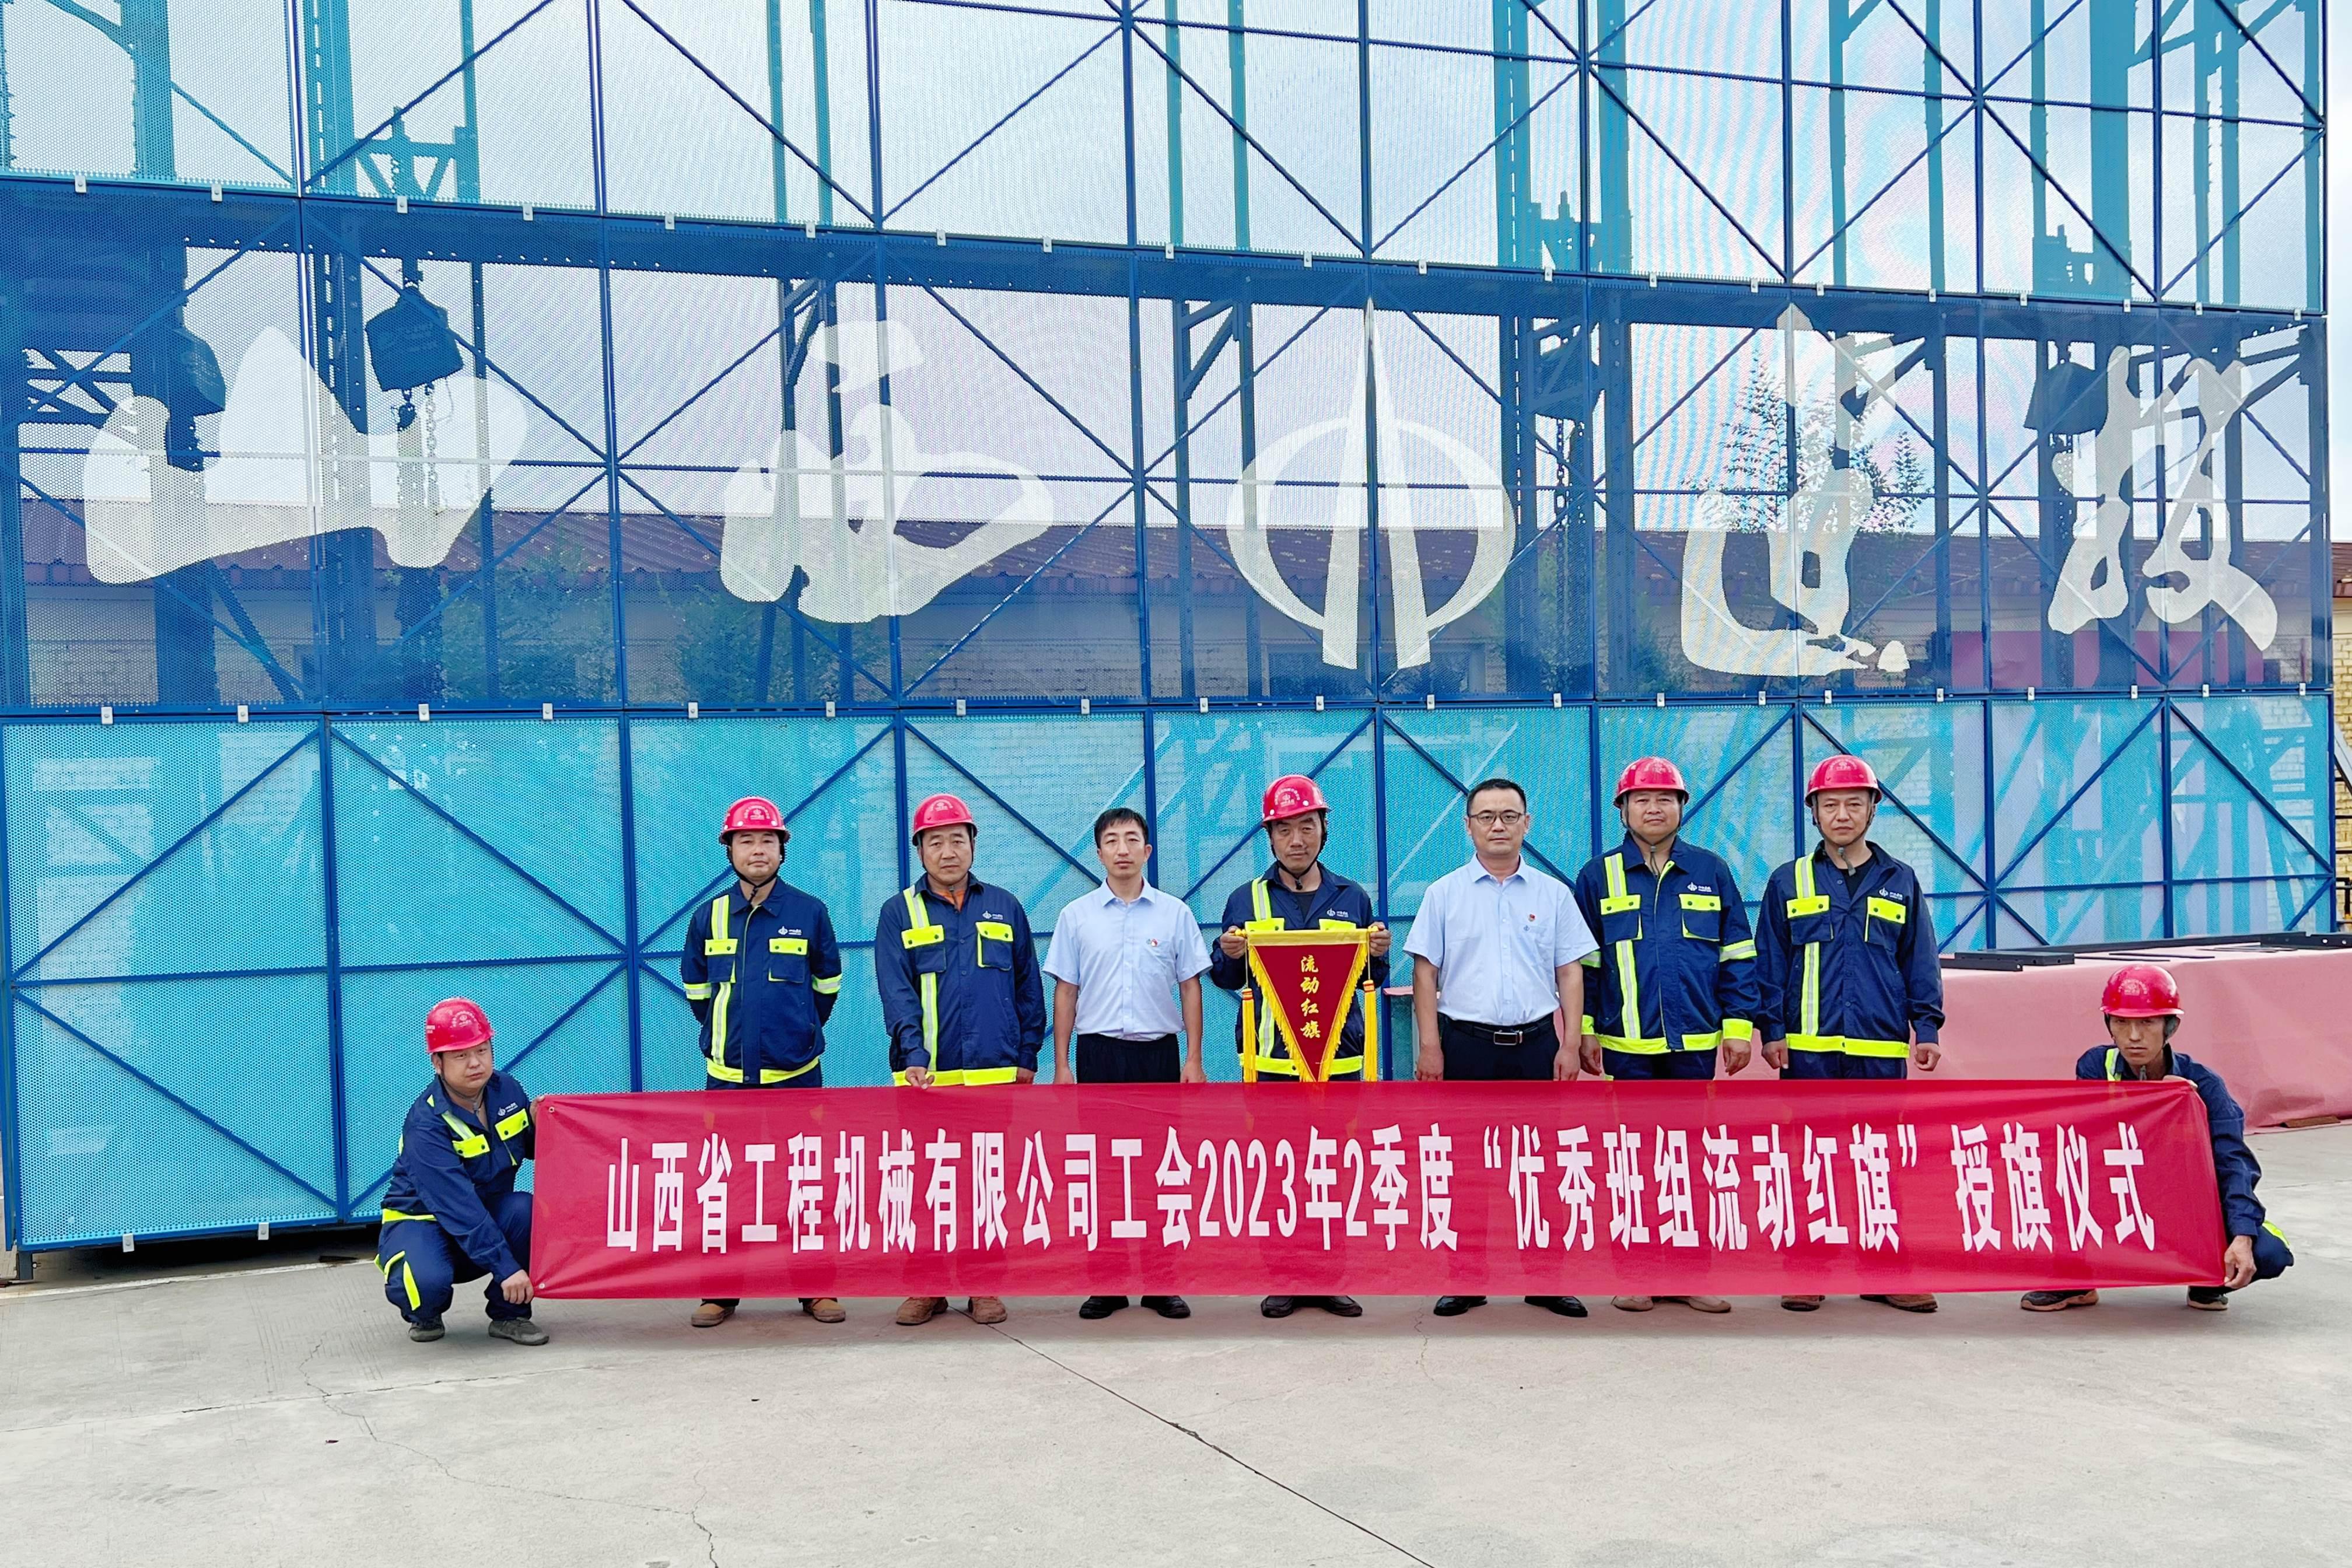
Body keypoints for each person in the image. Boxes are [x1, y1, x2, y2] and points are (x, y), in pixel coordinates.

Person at [1755, 753, 1944, 1315]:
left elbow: (1919, 959)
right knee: (1810, 1159)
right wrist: (1772, 1030)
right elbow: (1770, 961)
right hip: (1808, 1051)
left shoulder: (1900, 881)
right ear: (1813, 813)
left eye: (1854, 804)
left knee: (1878, 1161)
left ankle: (1885, 1273)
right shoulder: (1788, 881)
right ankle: (1806, 1270)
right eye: (1830, 805)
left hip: (1878, 1049)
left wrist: (1927, 1026)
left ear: (1872, 810)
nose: (1842, 815)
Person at [1572, 755, 1758, 1317]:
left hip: (1694, 1047)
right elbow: (1584, 966)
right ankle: (1636, 1275)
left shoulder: (1711, 871)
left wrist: (1738, 1028)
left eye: (1664, 799)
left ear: (1681, 807)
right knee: (1633, 1163)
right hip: (1626, 1051)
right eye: (1642, 800)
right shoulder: (1597, 876)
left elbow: (1737, 955)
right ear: (1623, 810)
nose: (1653, 809)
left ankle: (1688, 1274)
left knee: (1690, 1160)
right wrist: (1585, 1031)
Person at [1406, 776, 1595, 1321]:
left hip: (1536, 1046)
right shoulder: (1444, 894)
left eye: (1509, 816)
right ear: (1468, 827)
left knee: (1543, 1167)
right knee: (1466, 1167)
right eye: (1486, 816)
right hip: (1466, 1047)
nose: (1498, 826)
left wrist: (1570, 1042)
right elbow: (1425, 973)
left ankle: (1545, 1280)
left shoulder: (1553, 895)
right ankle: (1467, 1280)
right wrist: (1431, 1045)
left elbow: (1570, 971)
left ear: (1526, 824)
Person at [1212, 772, 1390, 1321]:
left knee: (1332, 1168)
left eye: (1307, 827)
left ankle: (1330, 1277)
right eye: (1285, 829)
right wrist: (1229, 953)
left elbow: (1371, 979)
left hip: (1338, 1060)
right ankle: (1285, 1276)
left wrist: (1379, 952)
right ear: (1269, 836)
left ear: (1323, 830)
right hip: (1273, 1062)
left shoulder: (1351, 897)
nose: (1297, 840)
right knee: (1280, 1170)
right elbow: (1226, 978)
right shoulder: (1246, 899)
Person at [2022, 963, 2295, 1314]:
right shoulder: (2095, 1066)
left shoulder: (2205, 1085)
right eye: (2122, 1023)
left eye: (2148, 1023)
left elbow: (2234, 1163)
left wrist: (2242, 1235)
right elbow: (2090, 1140)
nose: (2134, 1036)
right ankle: (2076, 1281)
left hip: (2185, 1203)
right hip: (2121, 1194)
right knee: (2055, 1173)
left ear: (2171, 1027)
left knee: (2269, 1254)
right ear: (2109, 1025)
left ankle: (2208, 1279)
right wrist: (2155, 1100)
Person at [875, 792, 1046, 1328]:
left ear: (973, 844)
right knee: (925, 1183)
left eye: (957, 839)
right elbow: (896, 991)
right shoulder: (898, 912)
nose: (947, 852)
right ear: (920, 850)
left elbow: (1028, 986)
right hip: (926, 1078)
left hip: (995, 1075)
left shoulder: (1005, 907)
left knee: (986, 1182)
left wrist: (1027, 1054)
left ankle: (983, 1284)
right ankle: (926, 1286)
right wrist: (913, 1053)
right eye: (935, 842)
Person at [679, 794, 846, 1329]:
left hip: (797, 1078)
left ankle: (816, 1289)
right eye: (746, 841)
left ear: (782, 850)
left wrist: (796, 1030)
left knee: (805, 1182)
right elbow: (698, 991)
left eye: (767, 840)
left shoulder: (810, 913)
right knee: (725, 1186)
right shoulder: (708, 917)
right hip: (727, 1081)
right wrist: (726, 1035)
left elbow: (827, 988)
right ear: (729, 850)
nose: (758, 850)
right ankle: (720, 1291)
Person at [1046, 806, 1212, 1322]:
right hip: (1098, 1056)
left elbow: (1191, 987)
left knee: (1160, 1169)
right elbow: (1066, 991)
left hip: (1158, 1055)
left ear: (1147, 851)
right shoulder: (1076, 916)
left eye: (1132, 839)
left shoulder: (1174, 914)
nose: (1122, 849)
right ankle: (1108, 1282)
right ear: (1098, 853)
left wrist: (1194, 1058)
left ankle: (1162, 1282)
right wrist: (1062, 1064)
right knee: (1102, 1171)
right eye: (1112, 840)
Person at [376, 998, 547, 1346]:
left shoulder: (507, 1090)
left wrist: (544, 1124)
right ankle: (425, 1311)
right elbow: (457, 1205)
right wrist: (507, 1267)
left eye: (482, 1050)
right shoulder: (426, 1124)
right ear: (437, 1062)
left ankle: (510, 1315)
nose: (475, 1063)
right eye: (460, 1055)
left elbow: (531, 1148)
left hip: (484, 1214)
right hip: (422, 1222)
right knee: (426, 1284)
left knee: (527, 1210)